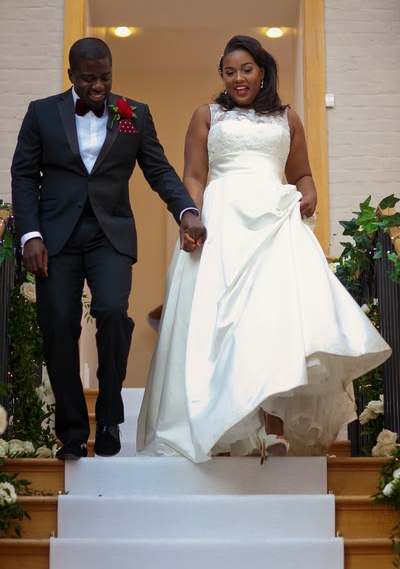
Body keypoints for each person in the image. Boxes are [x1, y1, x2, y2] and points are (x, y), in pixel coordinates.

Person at [136, 35, 391, 463]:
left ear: (262, 71)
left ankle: (274, 424)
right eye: (229, 71)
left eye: (246, 69)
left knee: (273, 320)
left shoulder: (288, 118)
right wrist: (189, 216)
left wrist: (310, 193)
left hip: (274, 224)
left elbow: (302, 173)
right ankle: (221, 426)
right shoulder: (207, 115)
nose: (238, 78)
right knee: (222, 324)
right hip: (222, 224)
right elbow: (194, 175)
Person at [11, 37, 206, 460]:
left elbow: (158, 170)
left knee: (114, 312)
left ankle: (110, 417)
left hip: (110, 235)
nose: (98, 87)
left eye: (105, 77)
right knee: (58, 324)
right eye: (88, 79)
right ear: (71, 76)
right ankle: (72, 433)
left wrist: (186, 211)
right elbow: (23, 175)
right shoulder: (41, 113)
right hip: (55, 238)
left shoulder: (134, 114)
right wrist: (30, 236)